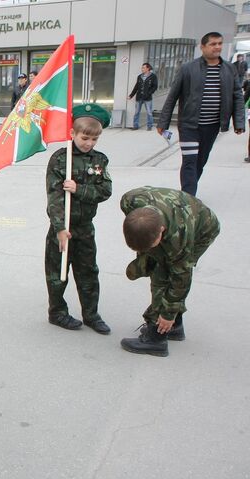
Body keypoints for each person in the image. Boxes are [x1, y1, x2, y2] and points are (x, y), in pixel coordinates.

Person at [119, 187, 220, 357]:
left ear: (162, 230)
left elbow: (181, 280)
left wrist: (168, 314)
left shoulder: (178, 241)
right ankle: (175, 326)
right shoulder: (130, 201)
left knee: (164, 275)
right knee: (158, 263)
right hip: (174, 212)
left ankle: (157, 338)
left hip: (203, 229)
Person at [45, 104, 112, 335]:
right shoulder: (60, 159)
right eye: (85, 138)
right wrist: (59, 228)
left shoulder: (100, 160)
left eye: (94, 139)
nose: (89, 143)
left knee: (88, 273)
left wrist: (79, 189)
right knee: (57, 274)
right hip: (62, 229)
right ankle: (57, 312)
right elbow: (54, 198)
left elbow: (105, 191)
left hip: (85, 228)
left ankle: (91, 315)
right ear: (72, 133)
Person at [157, 32, 245, 196]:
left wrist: (239, 122)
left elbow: (237, 96)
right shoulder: (188, 69)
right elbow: (172, 96)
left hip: (212, 126)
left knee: (200, 162)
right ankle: (188, 197)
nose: (217, 47)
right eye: (213, 44)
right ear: (202, 47)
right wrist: (163, 122)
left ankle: (189, 191)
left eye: (219, 43)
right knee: (190, 161)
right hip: (189, 125)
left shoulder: (229, 69)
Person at [128, 63, 158, 130]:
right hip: (139, 97)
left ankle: (149, 126)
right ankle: (135, 126)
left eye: (143, 68)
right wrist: (131, 95)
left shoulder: (153, 76)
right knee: (136, 112)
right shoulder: (139, 77)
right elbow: (136, 87)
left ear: (148, 68)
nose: (142, 69)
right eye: (142, 68)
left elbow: (155, 87)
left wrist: (149, 93)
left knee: (149, 112)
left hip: (148, 98)